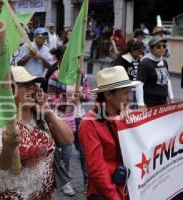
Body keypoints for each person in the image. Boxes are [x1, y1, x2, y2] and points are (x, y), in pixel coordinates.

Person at [0, 66, 74, 199]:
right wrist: (8, 147)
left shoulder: (41, 116)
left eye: (33, 85)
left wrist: (48, 112)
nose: (32, 89)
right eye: (25, 85)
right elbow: (3, 165)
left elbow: (68, 140)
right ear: (9, 91)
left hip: (44, 194)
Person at [79, 65, 140, 200]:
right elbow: (97, 170)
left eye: (129, 92)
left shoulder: (126, 115)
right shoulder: (89, 124)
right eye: (125, 92)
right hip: (106, 192)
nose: (129, 98)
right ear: (108, 95)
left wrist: (129, 124)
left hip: (128, 187)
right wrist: (114, 197)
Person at [46, 47, 91, 196]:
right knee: (67, 151)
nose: (73, 61)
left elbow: (88, 94)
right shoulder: (55, 76)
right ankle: (66, 182)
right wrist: (67, 100)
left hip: (79, 116)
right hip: (62, 118)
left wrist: (82, 96)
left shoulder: (80, 74)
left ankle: (87, 181)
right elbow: (50, 98)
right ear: (60, 59)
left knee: (84, 151)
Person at [136, 36, 175, 108]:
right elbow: (139, 84)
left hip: (163, 102)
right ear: (151, 48)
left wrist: (171, 98)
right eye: (158, 46)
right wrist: (140, 104)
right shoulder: (145, 63)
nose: (162, 48)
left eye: (164, 46)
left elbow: (167, 80)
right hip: (149, 103)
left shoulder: (164, 62)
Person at [113, 39, 144, 107]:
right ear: (132, 49)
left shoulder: (138, 59)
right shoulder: (123, 59)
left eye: (141, 52)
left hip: (137, 89)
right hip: (127, 90)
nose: (140, 54)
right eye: (139, 51)